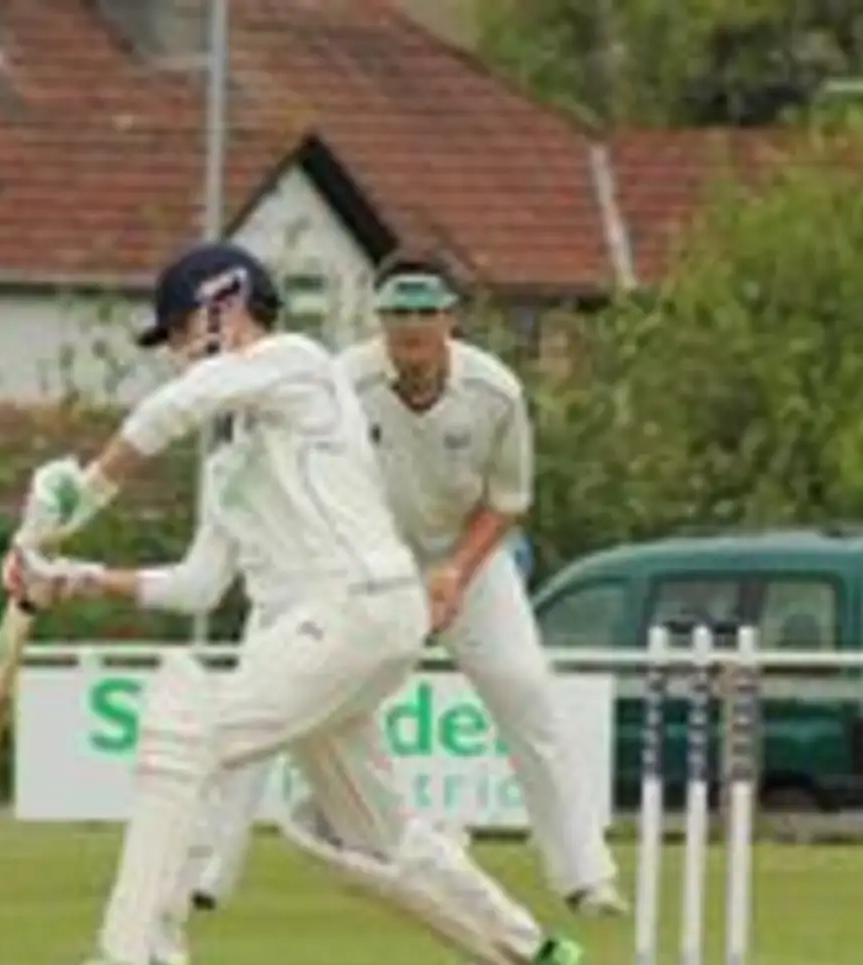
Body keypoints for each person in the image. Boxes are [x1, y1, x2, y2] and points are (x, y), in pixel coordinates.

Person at [3, 240, 580, 965]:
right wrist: (68, 578)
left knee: (186, 737)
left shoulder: (299, 362)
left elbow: (174, 408)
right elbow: (200, 584)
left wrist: (80, 496)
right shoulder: (235, 457)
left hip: (352, 608)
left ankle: (136, 963)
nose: (174, 354)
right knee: (375, 832)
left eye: (177, 332)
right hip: (327, 637)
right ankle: (518, 951)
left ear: (221, 309)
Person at [184, 250, 627, 922]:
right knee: (262, 685)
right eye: (397, 314)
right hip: (352, 562)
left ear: (451, 317)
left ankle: (585, 875)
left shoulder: (495, 392)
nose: (411, 329)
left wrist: (455, 572)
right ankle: (204, 871)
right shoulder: (342, 383)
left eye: (425, 313)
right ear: (379, 317)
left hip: (464, 555)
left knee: (525, 690)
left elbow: (507, 500)